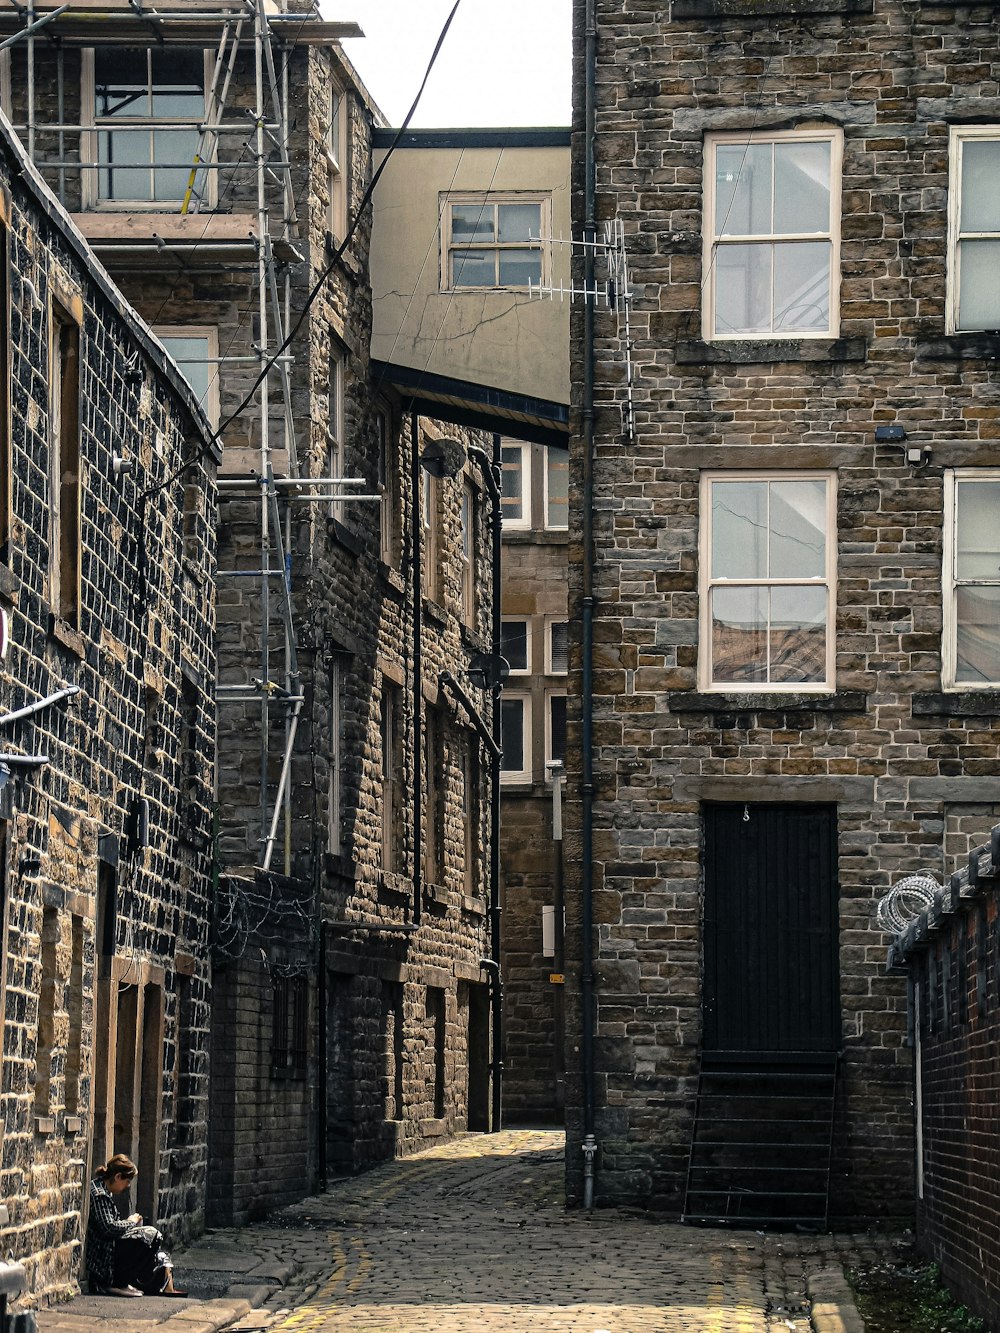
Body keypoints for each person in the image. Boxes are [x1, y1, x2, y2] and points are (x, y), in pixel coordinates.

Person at [86, 1154, 187, 1298]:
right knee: (150, 1236)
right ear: (118, 1177)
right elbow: (109, 1228)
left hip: (106, 1247)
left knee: (151, 1235)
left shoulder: (103, 1189)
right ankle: (115, 1283)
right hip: (101, 1255)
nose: (127, 1186)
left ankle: (126, 1282)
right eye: (127, 1181)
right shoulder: (100, 1195)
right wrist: (131, 1222)